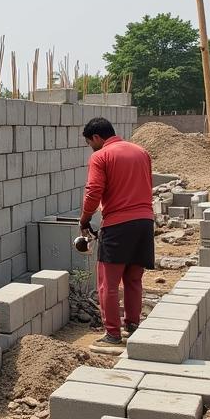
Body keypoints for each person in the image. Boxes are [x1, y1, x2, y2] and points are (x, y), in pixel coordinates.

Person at [78, 117, 155, 351]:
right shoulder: (142, 152)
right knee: (133, 278)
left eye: (90, 142)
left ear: (97, 138)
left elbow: (93, 191)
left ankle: (112, 335)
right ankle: (132, 325)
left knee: (107, 283)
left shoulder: (100, 156)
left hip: (118, 225)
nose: (91, 146)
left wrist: (85, 219)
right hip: (144, 222)